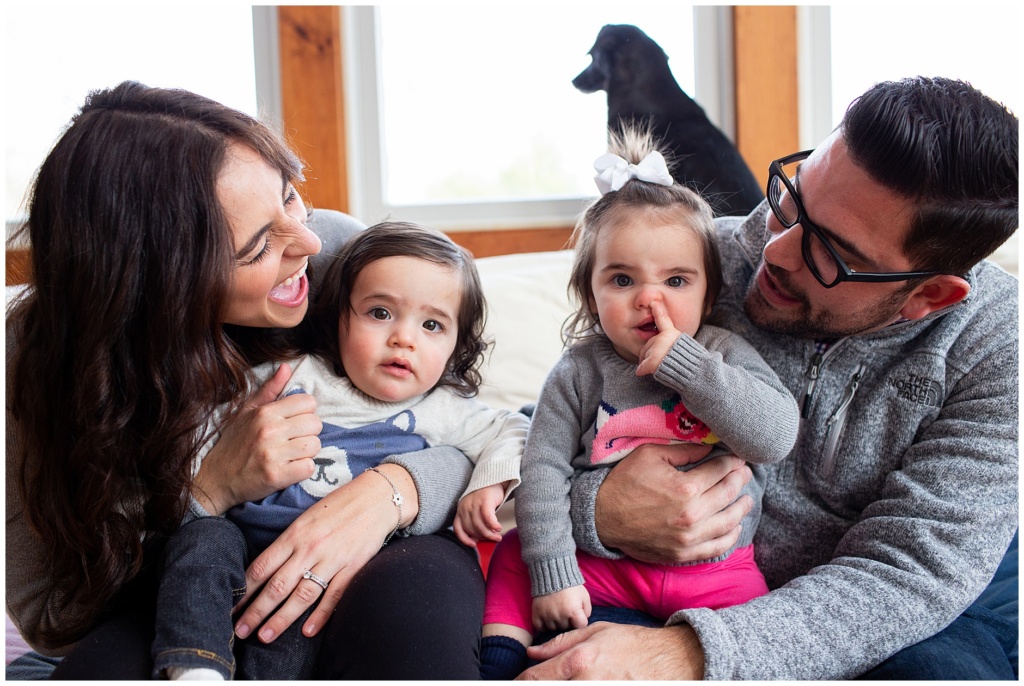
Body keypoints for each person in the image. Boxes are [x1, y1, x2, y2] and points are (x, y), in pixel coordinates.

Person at [518, 76, 1019, 680]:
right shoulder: (697, 267)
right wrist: (596, 511)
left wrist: (691, 653)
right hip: (680, 583)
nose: (773, 250)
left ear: (929, 295)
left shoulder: (994, 346)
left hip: (911, 611)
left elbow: (911, 571)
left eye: (830, 252)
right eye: (793, 199)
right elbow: (555, 421)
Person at [6, 81, 486, 679]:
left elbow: (477, 426)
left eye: (290, 197)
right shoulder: (35, 358)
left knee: (417, 612)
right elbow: (49, 612)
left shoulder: (335, 257)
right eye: (260, 247)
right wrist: (207, 494)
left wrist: (390, 491)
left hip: (388, 554)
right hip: (194, 593)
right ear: (161, 281)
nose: (305, 242)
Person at [478, 129, 800, 679]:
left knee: (772, 643)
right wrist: (555, 573)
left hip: (719, 573)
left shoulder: (723, 353)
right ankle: (502, 662)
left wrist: (687, 364)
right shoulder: (580, 370)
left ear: (708, 291)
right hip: (602, 566)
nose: (650, 300)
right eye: (622, 279)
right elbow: (544, 468)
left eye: (676, 280)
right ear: (590, 293)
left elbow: (773, 436)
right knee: (515, 552)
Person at [152, 221, 528, 679]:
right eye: (380, 313)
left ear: (456, 345)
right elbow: (208, 428)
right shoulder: (293, 376)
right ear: (338, 317)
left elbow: (514, 431)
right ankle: (194, 666)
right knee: (199, 544)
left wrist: (488, 486)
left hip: (339, 575)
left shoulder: (444, 408)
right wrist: (201, 483)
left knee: (295, 628)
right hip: (245, 546)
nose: (403, 338)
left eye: (432, 325)